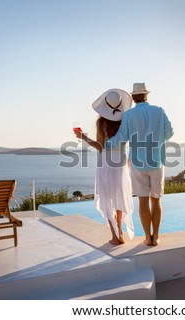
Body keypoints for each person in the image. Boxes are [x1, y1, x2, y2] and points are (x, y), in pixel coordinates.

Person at [105, 83, 173, 246]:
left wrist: (105, 144)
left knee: (143, 200)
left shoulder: (129, 115)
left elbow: (121, 138)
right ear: (146, 95)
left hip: (137, 163)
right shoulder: (159, 111)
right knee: (156, 200)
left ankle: (147, 238)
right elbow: (169, 132)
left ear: (133, 98)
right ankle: (156, 237)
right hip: (157, 161)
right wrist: (157, 142)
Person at [74, 88, 134, 245]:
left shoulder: (101, 122)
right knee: (120, 198)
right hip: (121, 163)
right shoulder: (125, 121)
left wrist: (83, 137)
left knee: (107, 199)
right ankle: (120, 232)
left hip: (106, 163)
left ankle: (116, 236)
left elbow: (100, 147)